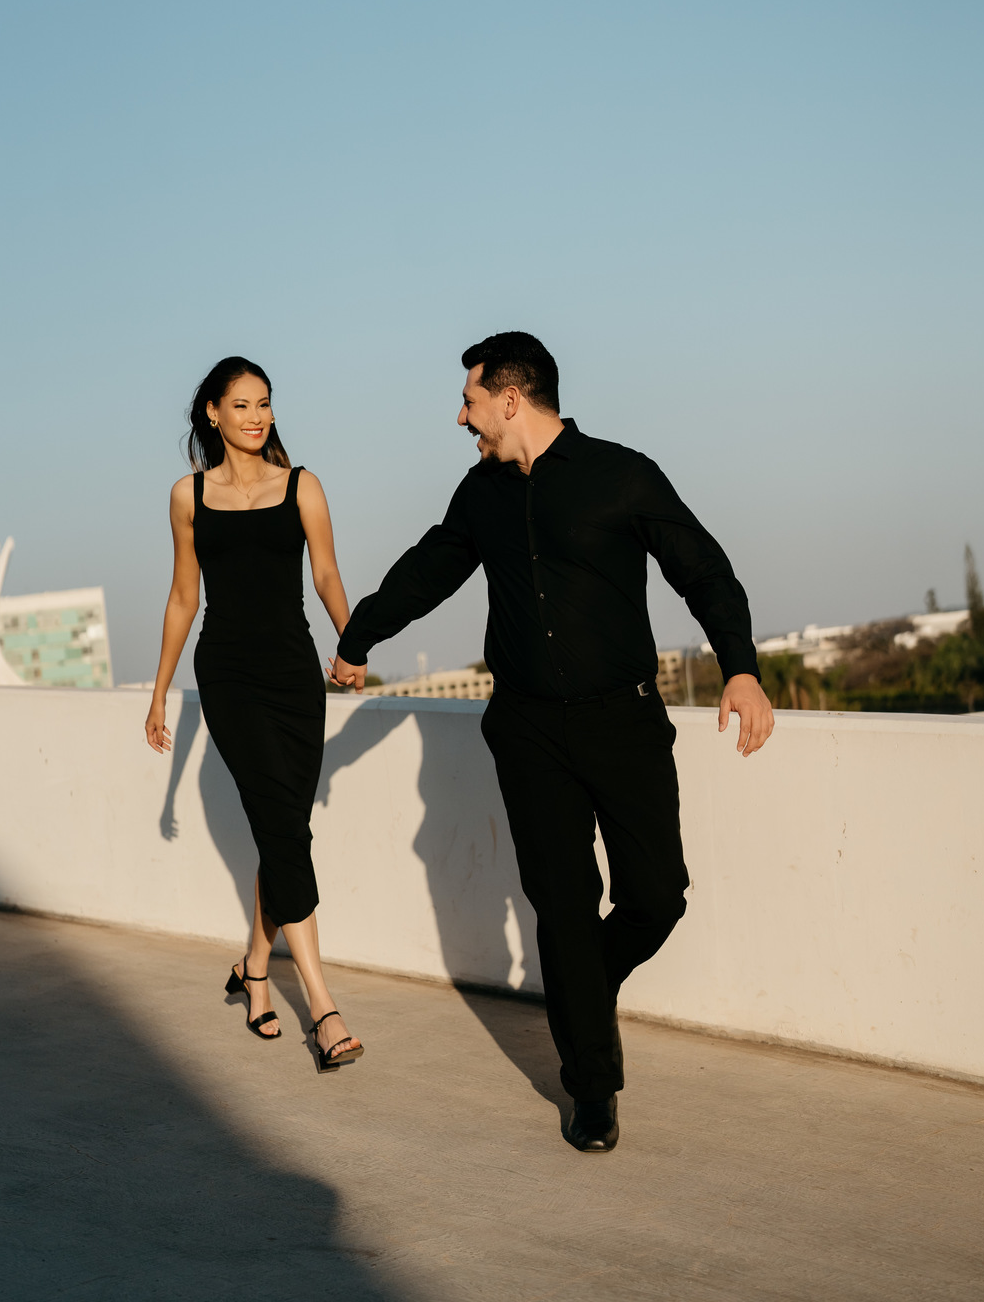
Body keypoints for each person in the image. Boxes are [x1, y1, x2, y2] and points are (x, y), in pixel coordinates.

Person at [329, 331, 773, 1148]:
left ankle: (583, 986)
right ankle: (592, 1089)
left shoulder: (622, 474)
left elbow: (704, 570)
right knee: (563, 908)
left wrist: (740, 668)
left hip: (624, 723)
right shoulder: (480, 494)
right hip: (529, 730)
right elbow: (428, 569)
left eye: (468, 401)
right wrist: (358, 638)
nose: (461, 418)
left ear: (509, 398)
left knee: (657, 895)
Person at [146, 356, 363, 1072]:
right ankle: (324, 1009)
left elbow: (326, 573)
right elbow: (184, 596)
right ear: (212, 413)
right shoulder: (188, 496)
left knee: (284, 829)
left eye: (264, 403)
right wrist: (159, 693)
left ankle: (256, 970)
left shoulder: (302, 485)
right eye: (241, 404)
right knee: (282, 826)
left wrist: (352, 643)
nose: (256, 416)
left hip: (294, 677)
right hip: (230, 677)